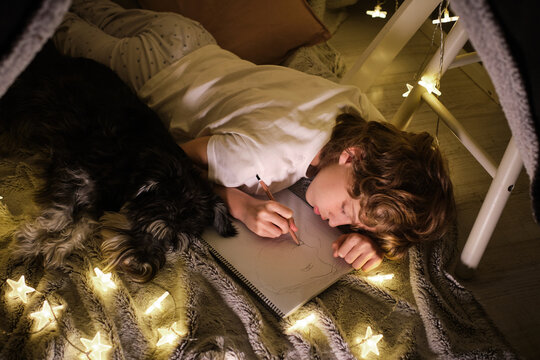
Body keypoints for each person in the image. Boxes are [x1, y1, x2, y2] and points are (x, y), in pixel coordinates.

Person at [53, 0, 456, 272]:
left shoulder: (354, 111)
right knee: (62, 28)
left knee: (96, 9)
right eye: (349, 213)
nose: (339, 223)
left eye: (353, 225)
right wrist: (240, 205)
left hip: (188, 37)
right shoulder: (258, 160)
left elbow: (403, 155)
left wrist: (376, 242)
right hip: (148, 71)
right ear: (351, 157)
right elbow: (172, 161)